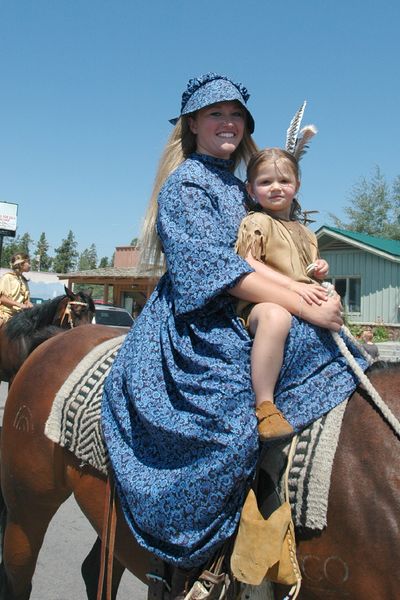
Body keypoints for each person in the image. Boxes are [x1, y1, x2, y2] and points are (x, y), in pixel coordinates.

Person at [101, 73, 353, 595]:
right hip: (196, 319)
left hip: (249, 306)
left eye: (236, 116)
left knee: (333, 350)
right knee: (222, 413)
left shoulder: (243, 189)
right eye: (216, 114)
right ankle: (201, 562)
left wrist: (315, 289)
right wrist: (302, 301)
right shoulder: (185, 185)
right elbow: (216, 269)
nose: (228, 123)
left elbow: (272, 252)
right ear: (192, 125)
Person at [0, 253, 33, 326]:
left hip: (19, 315)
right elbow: (2, 298)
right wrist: (19, 304)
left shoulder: (24, 280)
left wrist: (28, 303)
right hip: (5, 314)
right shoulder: (7, 277)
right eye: (28, 262)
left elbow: (25, 300)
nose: (30, 265)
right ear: (21, 264)